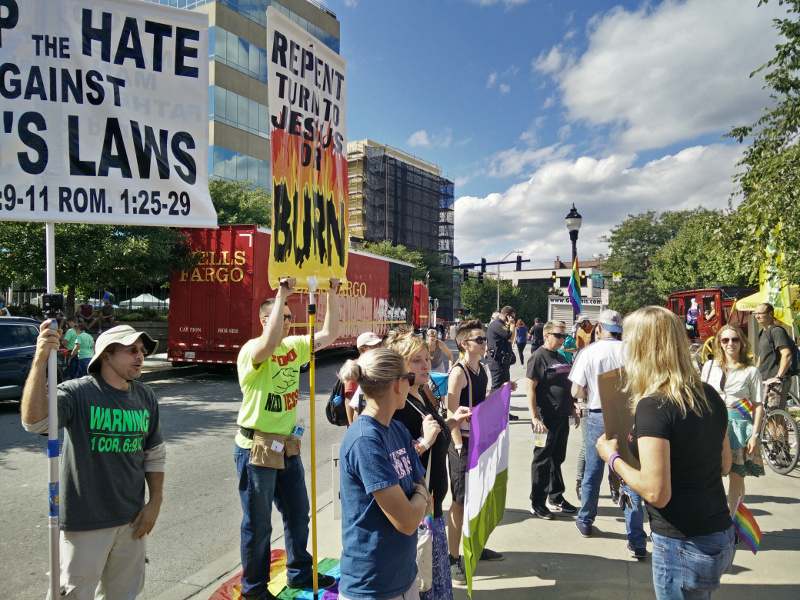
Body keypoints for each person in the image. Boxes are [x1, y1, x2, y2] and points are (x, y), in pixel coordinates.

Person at [596, 306, 734, 600]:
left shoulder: (655, 406)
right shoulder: (709, 393)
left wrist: (613, 457)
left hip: (682, 541)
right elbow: (725, 464)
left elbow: (657, 492)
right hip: (718, 532)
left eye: (629, 341)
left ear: (643, 346)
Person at [21, 323, 165, 600]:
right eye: (131, 350)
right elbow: (35, 422)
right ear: (106, 355)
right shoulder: (77, 393)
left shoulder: (145, 396)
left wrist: (155, 502)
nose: (140, 356)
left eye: (142, 351)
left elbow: (154, 454)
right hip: (84, 523)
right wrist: (41, 359)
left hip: (132, 522)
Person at [234, 277, 340, 599]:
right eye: (282, 317)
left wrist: (332, 294)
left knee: (297, 513)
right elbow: (267, 345)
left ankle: (298, 572)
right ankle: (254, 590)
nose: (289, 323)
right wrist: (281, 293)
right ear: (266, 320)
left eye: (291, 319)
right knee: (258, 523)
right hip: (257, 448)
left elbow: (330, 334)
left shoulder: (295, 348)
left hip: (286, 446)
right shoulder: (253, 350)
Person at [385, 329, 472, 599]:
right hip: (417, 506)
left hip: (432, 503)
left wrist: (451, 423)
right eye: (417, 360)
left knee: (433, 576)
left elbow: (433, 434)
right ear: (400, 367)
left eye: (426, 358)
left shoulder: (422, 394)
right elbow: (396, 456)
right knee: (423, 578)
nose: (426, 364)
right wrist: (425, 440)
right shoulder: (399, 406)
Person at [338, 348, 430, 600]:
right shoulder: (365, 440)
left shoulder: (397, 429)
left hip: (403, 576)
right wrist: (420, 493)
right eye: (409, 378)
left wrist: (419, 496)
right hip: (372, 585)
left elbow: (425, 506)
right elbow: (409, 521)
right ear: (398, 384)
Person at [569, 310, 647, 558]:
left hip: (598, 414)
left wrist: (590, 392)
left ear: (599, 329)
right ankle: (636, 539)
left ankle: (586, 521)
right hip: (630, 416)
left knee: (593, 472)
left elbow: (575, 390)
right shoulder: (632, 351)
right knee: (630, 475)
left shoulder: (589, 352)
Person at [446, 319, 505, 583]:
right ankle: (453, 557)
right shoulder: (458, 373)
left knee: (478, 498)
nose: (485, 343)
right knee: (459, 501)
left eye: (485, 339)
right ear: (464, 344)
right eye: (480, 340)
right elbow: (451, 411)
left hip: (478, 441)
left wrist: (503, 392)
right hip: (462, 443)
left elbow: (479, 406)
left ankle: (475, 546)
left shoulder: (482, 368)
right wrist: (458, 442)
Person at [702, 324, 765, 515]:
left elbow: (758, 404)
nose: (731, 344)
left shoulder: (751, 371)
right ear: (719, 343)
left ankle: (733, 520)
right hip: (712, 426)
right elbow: (702, 396)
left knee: (736, 477)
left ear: (742, 342)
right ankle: (711, 517)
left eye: (735, 339)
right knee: (709, 475)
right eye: (726, 340)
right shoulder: (709, 366)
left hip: (738, 426)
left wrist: (754, 435)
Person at [526, 320, 580, 519]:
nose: (562, 339)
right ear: (546, 335)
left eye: (564, 336)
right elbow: (530, 389)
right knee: (542, 459)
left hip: (561, 415)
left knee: (557, 458)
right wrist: (534, 417)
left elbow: (566, 385)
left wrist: (573, 406)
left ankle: (555, 496)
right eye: (558, 335)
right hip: (544, 418)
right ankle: (537, 501)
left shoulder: (560, 356)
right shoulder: (537, 358)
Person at [754, 302, 793, 410]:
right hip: (764, 379)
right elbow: (761, 358)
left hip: (776, 381)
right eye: (755, 313)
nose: (757, 316)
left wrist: (778, 377)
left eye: (760, 313)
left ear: (770, 314)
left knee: (776, 418)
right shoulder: (762, 332)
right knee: (767, 417)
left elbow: (787, 354)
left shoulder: (776, 331)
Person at [486, 306, 519, 419]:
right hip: (497, 362)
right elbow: (510, 337)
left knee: (505, 388)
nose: (512, 319)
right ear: (507, 315)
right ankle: (491, 412)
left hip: (503, 361)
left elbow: (511, 337)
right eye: (512, 317)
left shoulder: (502, 325)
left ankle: (504, 412)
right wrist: (512, 324)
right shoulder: (497, 325)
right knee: (497, 388)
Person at [345, 331, 384, 424]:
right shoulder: (355, 367)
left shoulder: (375, 365)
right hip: (358, 418)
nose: (378, 350)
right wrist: (351, 424)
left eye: (379, 346)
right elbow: (349, 399)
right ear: (362, 349)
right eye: (374, 347)